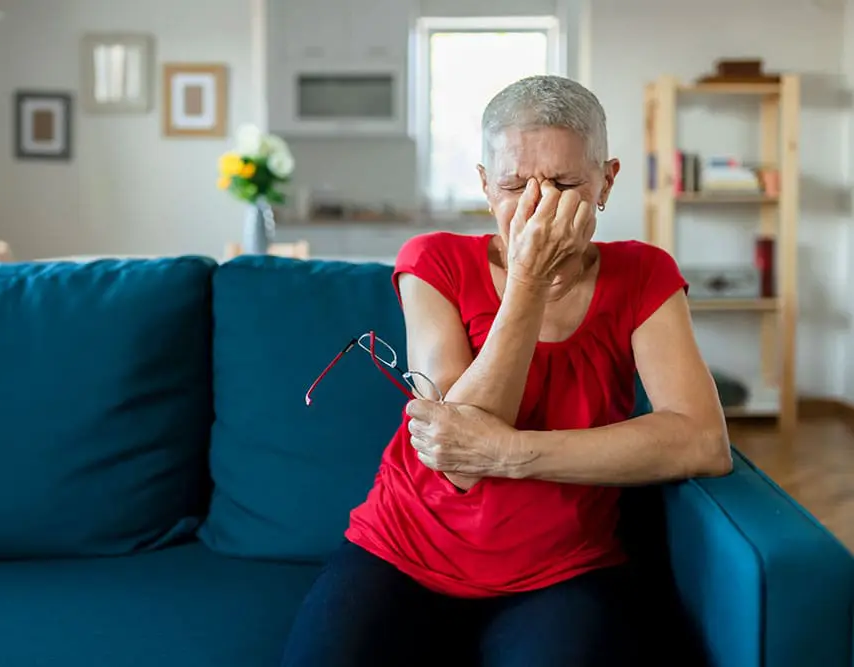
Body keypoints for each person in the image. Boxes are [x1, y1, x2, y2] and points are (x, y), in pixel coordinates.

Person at [280, 75, 732, 667]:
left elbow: (702, 442)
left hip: (563, 570)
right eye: (516, 185)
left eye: (565, 183)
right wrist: (529, 283)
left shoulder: (644, 274)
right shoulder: (432, 261)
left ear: (607, 181)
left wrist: (511, 453)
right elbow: (457, 458)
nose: (538, 207)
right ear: (485, 186)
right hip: (401, 550)